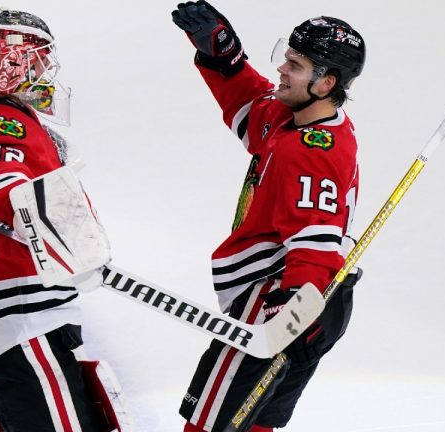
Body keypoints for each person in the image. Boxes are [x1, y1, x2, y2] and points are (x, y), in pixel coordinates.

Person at [0, 9, 130, 432]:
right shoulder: (3, 131)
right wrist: (48, 232)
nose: (44, 71)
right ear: (6, 67)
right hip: (12, 318)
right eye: (32, 61)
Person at [171, 2, 366, 431]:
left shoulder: (310, 153)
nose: (281, 68)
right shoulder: (297, 119)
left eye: (294, 65)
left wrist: (291, 310)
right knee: (254, 423)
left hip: (279, 302)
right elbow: (248, 100)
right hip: (306, 299)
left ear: (326, 81)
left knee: (210, 424)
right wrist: (223, 55)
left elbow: (314, 240)